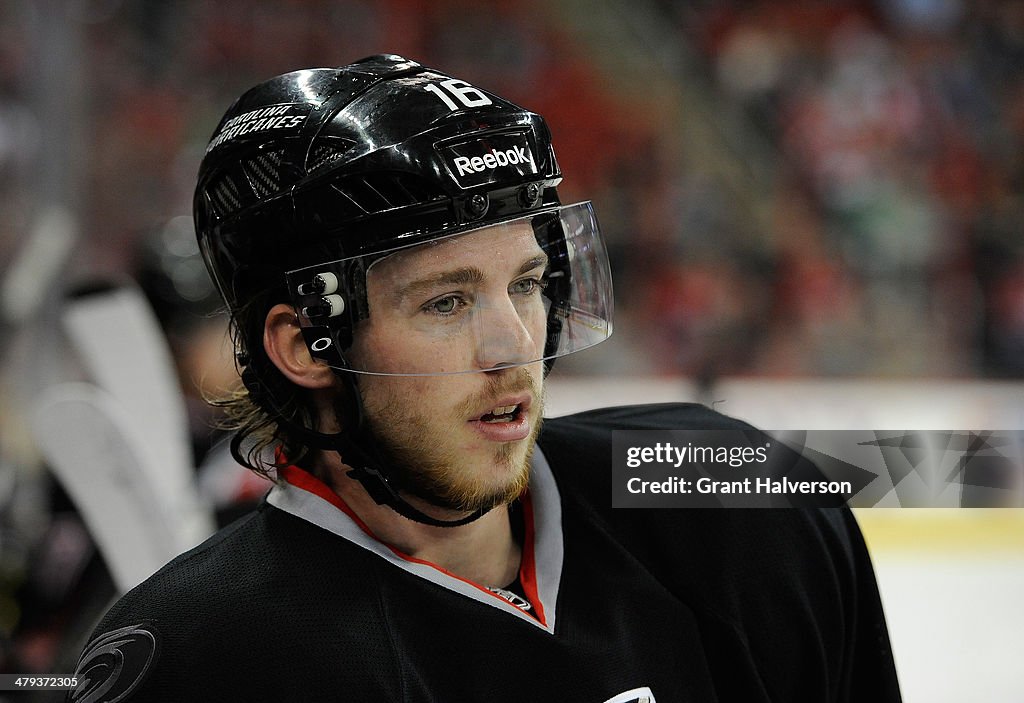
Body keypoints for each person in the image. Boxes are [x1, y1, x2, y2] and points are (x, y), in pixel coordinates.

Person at [67, 55, 901, 702]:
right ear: (304, 344)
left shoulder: (736, 505)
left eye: (528, 283)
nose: (513, 345)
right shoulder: (203, 660)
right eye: (446, 301)